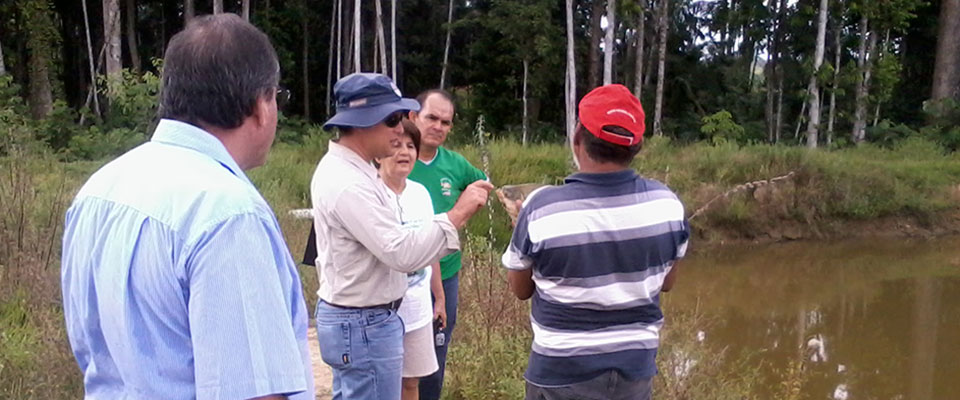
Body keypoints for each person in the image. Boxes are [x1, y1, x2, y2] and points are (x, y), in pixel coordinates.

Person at [60, 14, 314, 400]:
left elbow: (92, 351)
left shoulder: (98, 191)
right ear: (261, 104)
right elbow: (253, 392)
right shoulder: (228, 215)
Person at [502, 84, 690, 400]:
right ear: (638, 146)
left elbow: (521, 290)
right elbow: (666, 283)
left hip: (560, 373)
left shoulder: (541, 208)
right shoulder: (667, 204)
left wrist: (521, 225)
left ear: (577, 138)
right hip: (635, 372)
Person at [311, 73, 492, 400]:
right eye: (393, 118)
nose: (401, 128)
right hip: (364, 321)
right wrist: (457, 215)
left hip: (366, 318)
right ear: (365, 121)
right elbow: (401, 253)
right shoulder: (350, 183)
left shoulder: (356, 171)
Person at [407, 89, 487, 400]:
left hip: (446, 274)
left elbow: (481, 185)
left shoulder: (456, 164)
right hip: (403, 273)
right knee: (401, 363)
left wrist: (463, 215)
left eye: (446, 122)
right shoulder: (397, 158)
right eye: (432, 118)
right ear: (414, 117)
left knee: (434, 358)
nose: (439, 127)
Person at [375, 120, 447, 400]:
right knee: (381, 385)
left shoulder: (420, 193)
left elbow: (430, 250)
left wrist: (438, 298)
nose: (404, 152)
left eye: (410, 146)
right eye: (396, 145)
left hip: (416, 306)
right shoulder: (369, 193)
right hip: (380, 311)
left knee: (410, 383)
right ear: (378, 152)